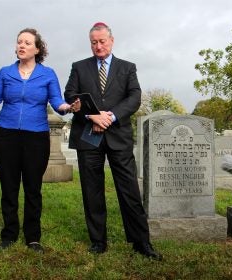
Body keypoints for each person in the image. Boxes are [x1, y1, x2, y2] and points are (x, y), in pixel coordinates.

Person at [0, 28, 80, 253]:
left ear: (37, 49)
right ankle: (9, 234)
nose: (22, 45)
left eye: (28, 43)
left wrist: (69, 107)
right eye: (19, 42)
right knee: (9, 188)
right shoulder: (5, 73)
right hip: (6, 136)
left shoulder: (47, 74)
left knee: (33, 188)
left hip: (36, 137)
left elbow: (58, 102)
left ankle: (33, 238)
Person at [64, 22, 162, 260]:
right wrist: (90, 115)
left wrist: (111, 116)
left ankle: (141, 242)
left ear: (112, 40)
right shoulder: (79, 67)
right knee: (92, 191)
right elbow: (70, 95)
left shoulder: (127, 68)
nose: (98, 46)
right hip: (89, 137)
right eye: (94, 42)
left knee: (129, 190)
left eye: (102, 41)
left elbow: (135, 97)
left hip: (118, 136)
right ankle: (98, 241)